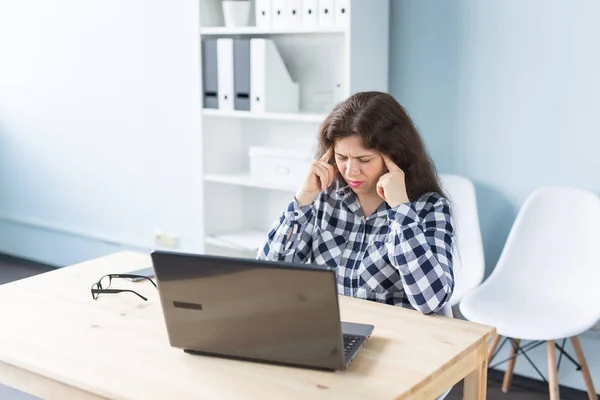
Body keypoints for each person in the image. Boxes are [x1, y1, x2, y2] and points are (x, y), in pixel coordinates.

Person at [257, 91, 454, 315]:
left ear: (395, 156)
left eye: (364, 159)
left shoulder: (430, 208)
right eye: (342, 158)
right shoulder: (324, 196)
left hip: (395, 336)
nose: (351, 171)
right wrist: (303, 199)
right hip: (331, 331)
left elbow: (431, 301)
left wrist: (401, 210)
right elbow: (268, 278)